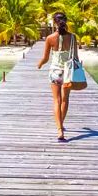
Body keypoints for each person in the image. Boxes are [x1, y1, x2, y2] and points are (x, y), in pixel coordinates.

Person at [37, 12, 78, 141]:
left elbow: (45, 58)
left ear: (54, 22)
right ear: (66, 21)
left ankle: (60, 129)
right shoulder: (73, 37)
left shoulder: (50, 38)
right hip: (68, 72)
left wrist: (39, 64)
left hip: (55, 72)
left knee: (57, 100)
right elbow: (75, 57)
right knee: (65, 100)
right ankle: (61, 124)